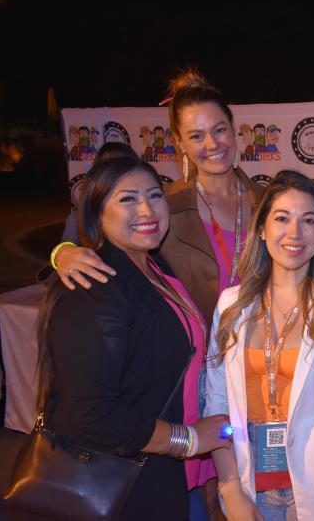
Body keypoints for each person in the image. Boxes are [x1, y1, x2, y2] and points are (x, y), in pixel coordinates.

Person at [51, 68, 264, 519]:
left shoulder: (269, 203)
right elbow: (98, 248)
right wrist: (62, 253)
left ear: (235, 129)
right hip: (188, 393)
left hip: (261, 373)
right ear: (179, 144)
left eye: (219, 129)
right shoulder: (169, 206)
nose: (212, 143)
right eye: (196, 135)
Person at [35, 155, 231, 519]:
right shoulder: (94, 287)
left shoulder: (153, 265)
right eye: (128, 199)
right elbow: (92, 412)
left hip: (167, 472)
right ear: (97, 214)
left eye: (155, 195)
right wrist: (187, 440)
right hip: (121, 483)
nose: (147, 209)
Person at [206, 170, 314, 521]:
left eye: (308, 220)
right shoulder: (231, 306)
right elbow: (217, 406)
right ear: (262, 229)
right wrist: (230, 486)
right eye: (282, 218)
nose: (295, 232)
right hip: (250, 485)